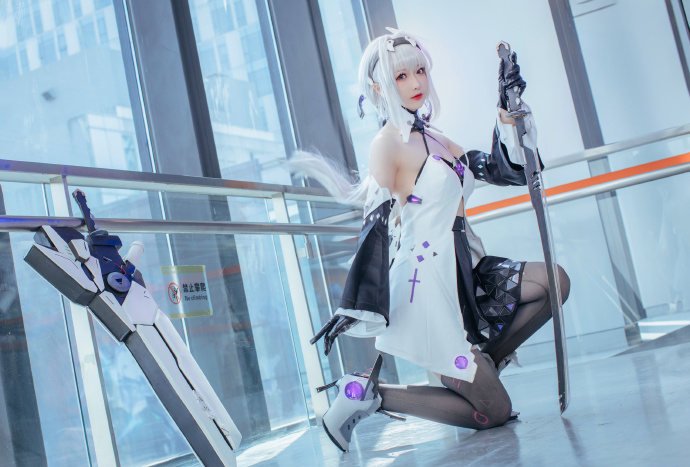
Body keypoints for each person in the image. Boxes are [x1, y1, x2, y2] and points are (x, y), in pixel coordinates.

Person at [291, 28, 570, 452]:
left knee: (554, 281)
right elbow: (378, 226)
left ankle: (481, 367)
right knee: (494, 411)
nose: (416, 83)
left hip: (465, 272)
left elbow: (495, 168)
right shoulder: (387, 145)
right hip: (427, 290)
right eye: (401, 76)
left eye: (419, 71)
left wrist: (507, 115)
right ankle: (368, 393)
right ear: (379, 87)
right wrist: (358, 301)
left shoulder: (433, 136)